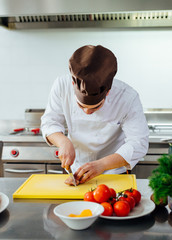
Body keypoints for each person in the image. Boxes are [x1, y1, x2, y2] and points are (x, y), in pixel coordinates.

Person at [41, 45, 149, 185]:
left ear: (108, 92)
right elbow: (50, 122)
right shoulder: (61, 86)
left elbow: (138, 142)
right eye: (81, 106)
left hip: (114, 172)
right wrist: (63, 142)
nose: (87, 112)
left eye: (96, 107)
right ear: (73, 83)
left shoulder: (127, 97)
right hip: (76, 170)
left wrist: (102, 164)